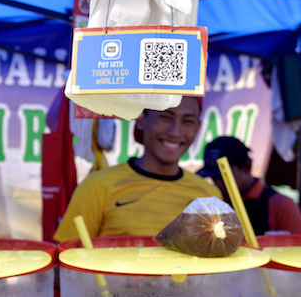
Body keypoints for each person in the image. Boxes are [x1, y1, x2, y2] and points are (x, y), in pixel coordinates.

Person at [53, 96, 220, 240]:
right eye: (165, 117)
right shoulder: (96, 186)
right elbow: (68, 264)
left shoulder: (208, 196)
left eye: (187, 121)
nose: (175, 131)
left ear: (197, 128)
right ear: (141, 120)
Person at [197, 135, 301, 235]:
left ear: (247, 167)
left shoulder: (281, 205)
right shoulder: (213, 206)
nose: (218, 183)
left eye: (223, 177)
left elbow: (296, 251)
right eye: (213, 177)